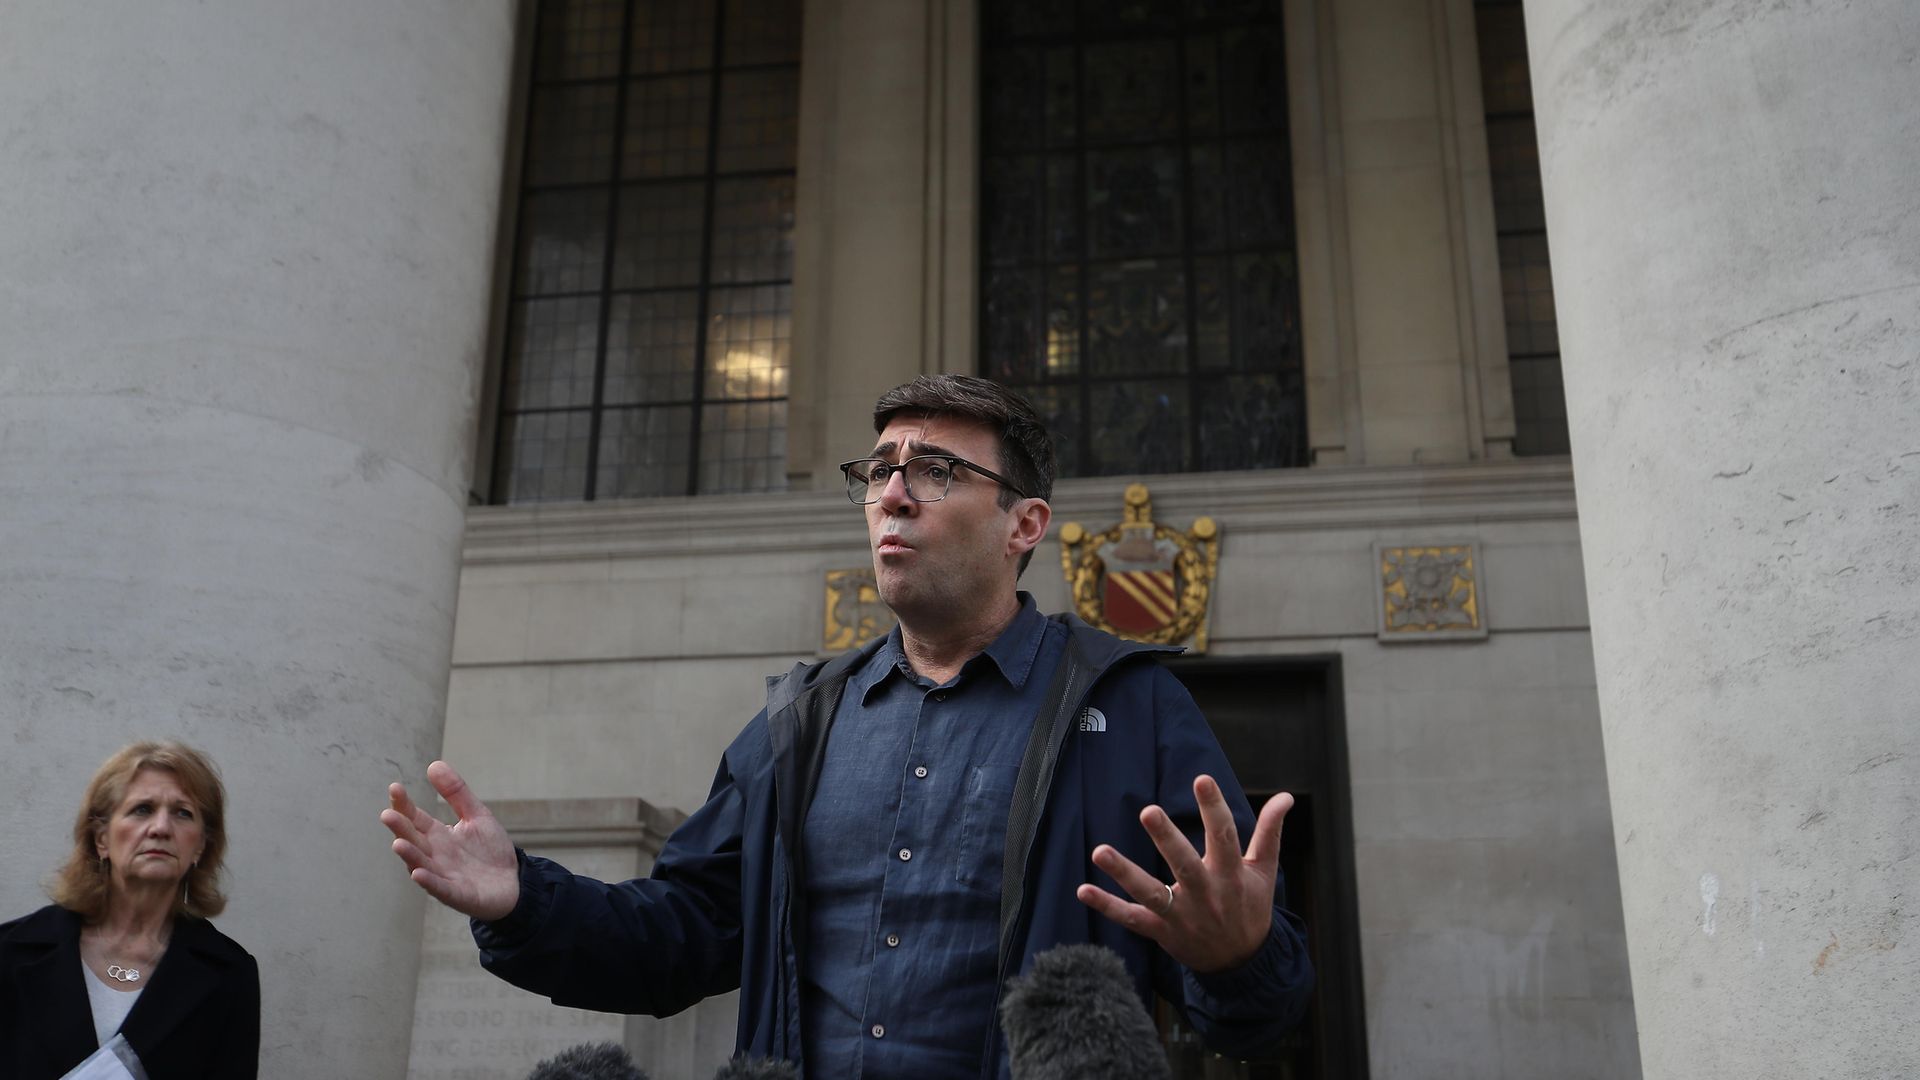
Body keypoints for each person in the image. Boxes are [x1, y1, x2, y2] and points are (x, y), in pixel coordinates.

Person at [383, 375, 1313, 1078]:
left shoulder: (1133, 708)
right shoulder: (798, 723)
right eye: (878, 474)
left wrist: (1237, 954)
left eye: (936, 472)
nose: (893, 496)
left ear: (1024, 523)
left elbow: (1254, 996)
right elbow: (682, 937)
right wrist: (523, 901)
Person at [0, 741, 260, 1079]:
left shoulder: (229, 974)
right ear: (101, 839)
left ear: (200, 846)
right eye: (142, 809)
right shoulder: (11, 954)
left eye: (183, 813)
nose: (161, 828)